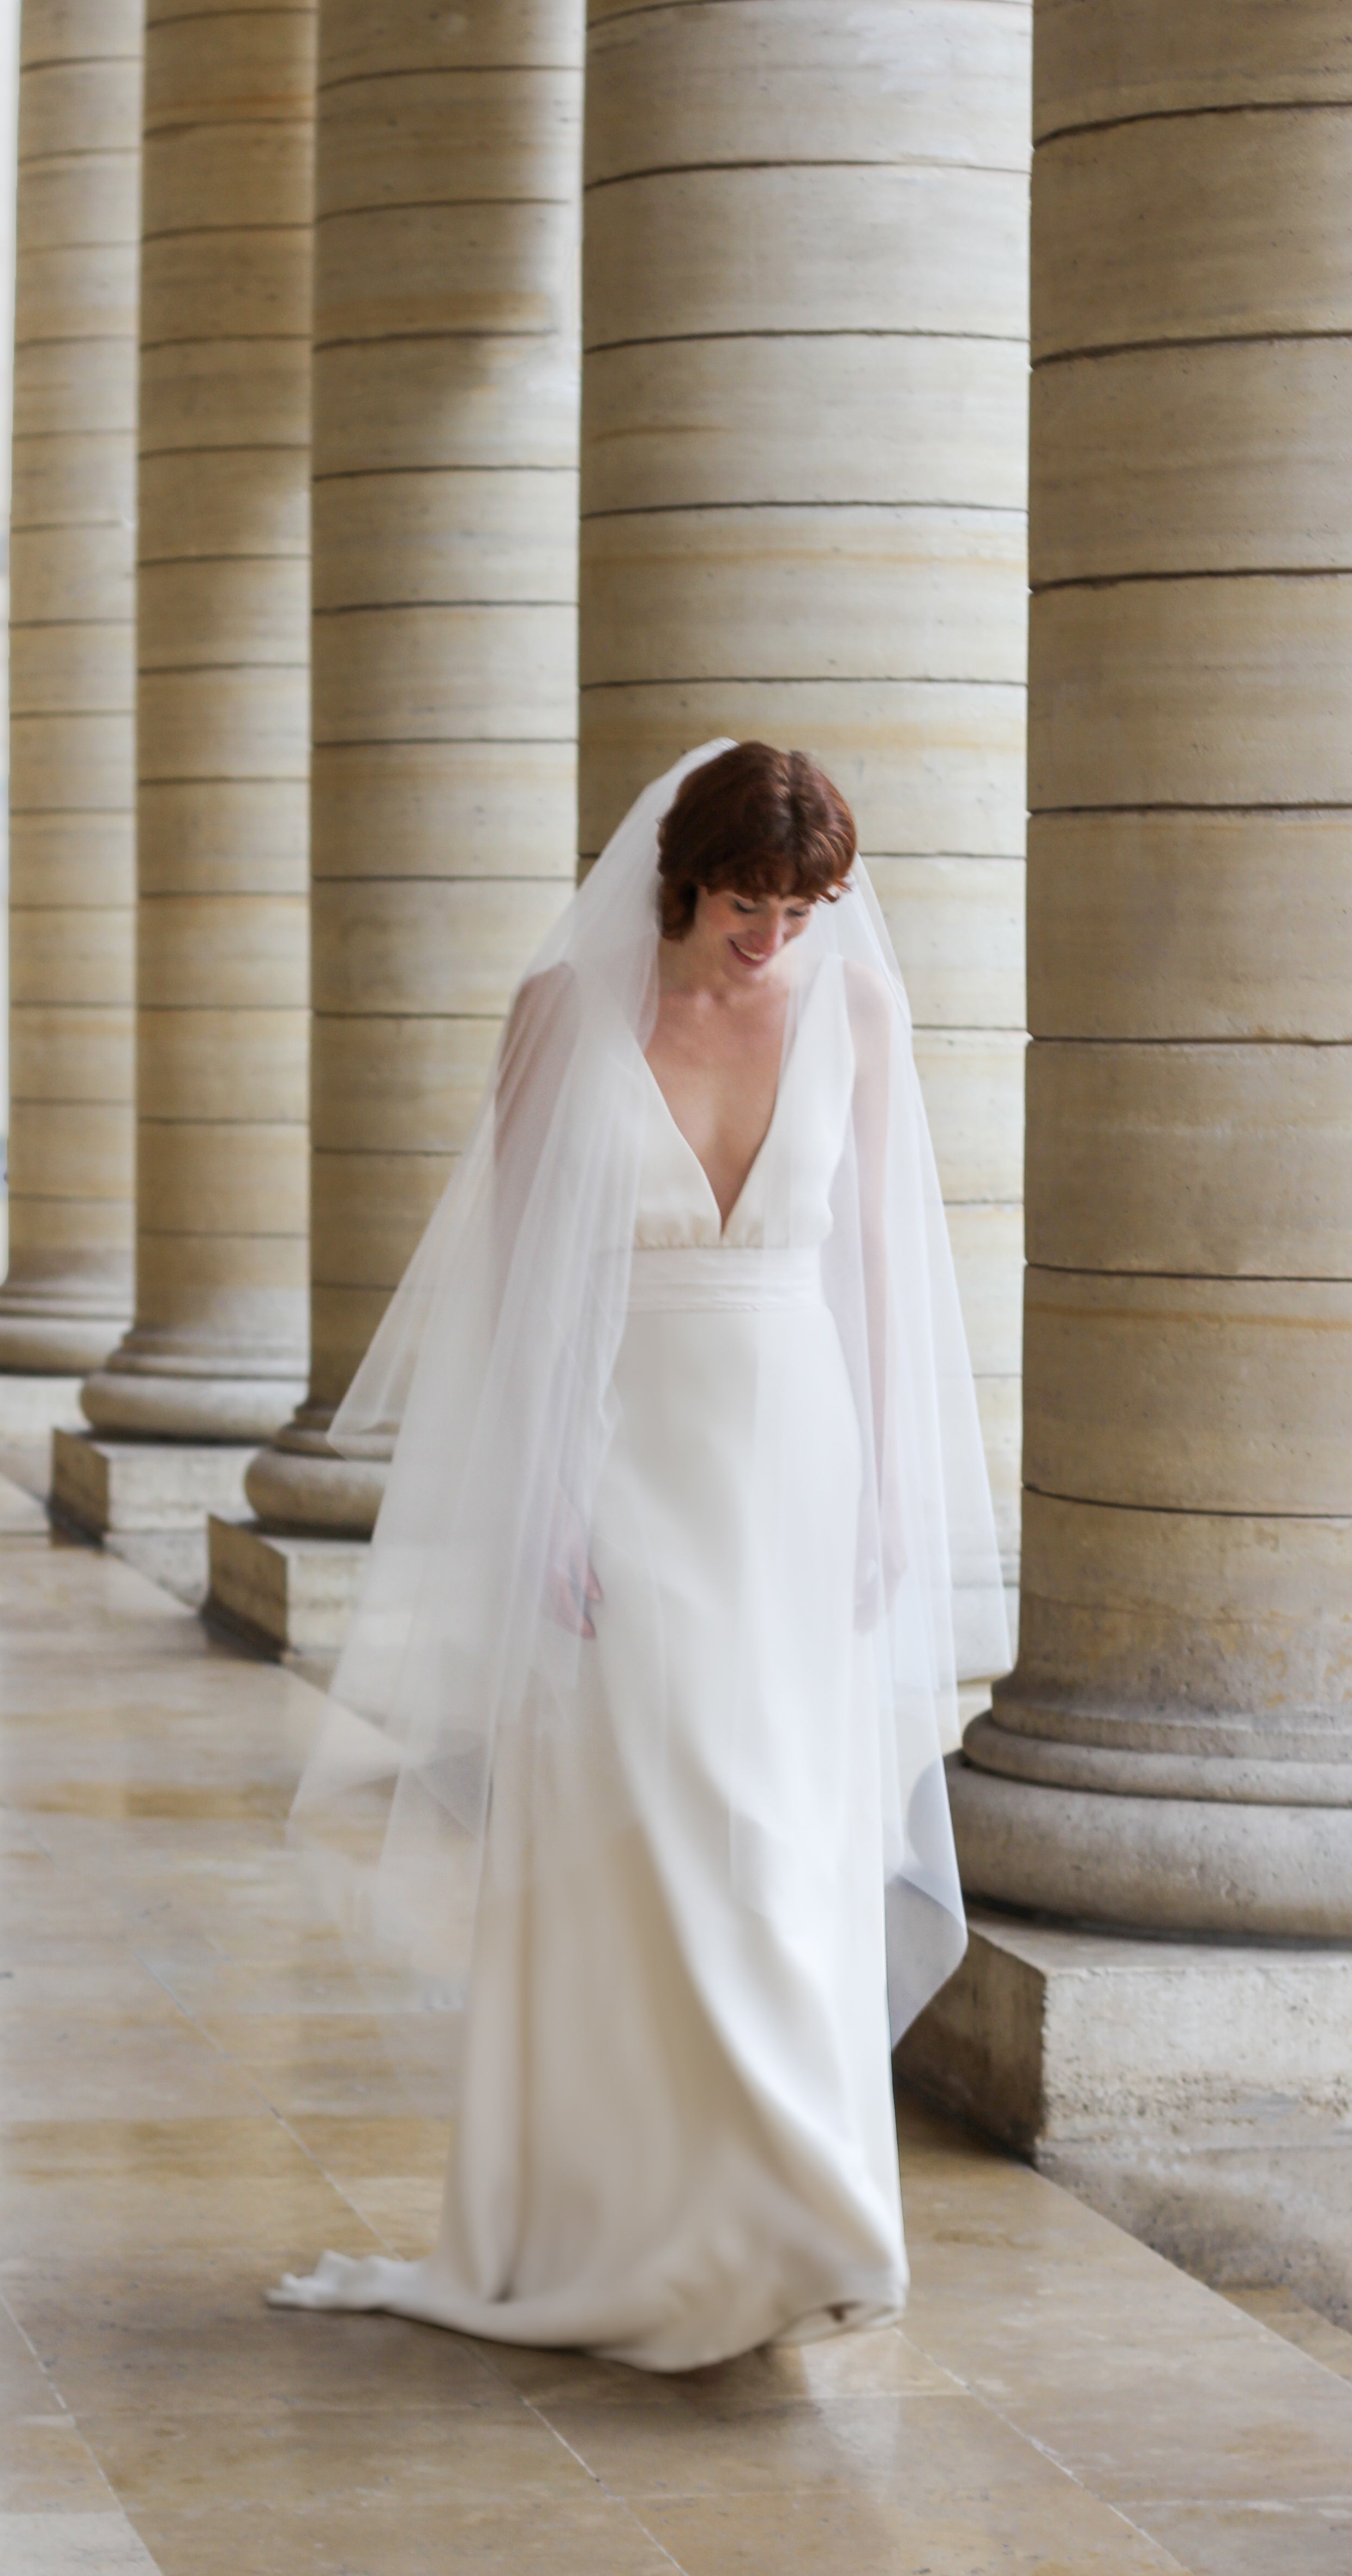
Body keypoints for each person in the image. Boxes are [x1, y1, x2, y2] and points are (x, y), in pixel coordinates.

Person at [270, 741, 1006, 2370]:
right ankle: (736, 2216)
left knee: (792, 1828)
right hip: (630, 1464)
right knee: (672, 1817)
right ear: (682, 881)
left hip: (798, 1467)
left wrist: (892, 1491)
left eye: (807, 910)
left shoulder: (854, 1014)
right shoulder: (562, 1018)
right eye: (752, 907)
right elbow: (517, 1291)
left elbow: (880, 1274)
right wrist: (539, 1496)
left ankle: (778, 2219)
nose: (778, 943)